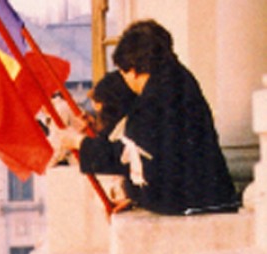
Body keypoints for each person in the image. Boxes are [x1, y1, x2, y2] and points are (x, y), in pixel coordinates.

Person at [62, 20, 239, 216]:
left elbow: (127, 155)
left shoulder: (157, 97)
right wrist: (136, 197)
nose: (125, 81)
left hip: (196, 206)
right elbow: (158, 159)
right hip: (207, 198)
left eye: (124, 73)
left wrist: (79, 142)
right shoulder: (174, 80)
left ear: (134, 69)